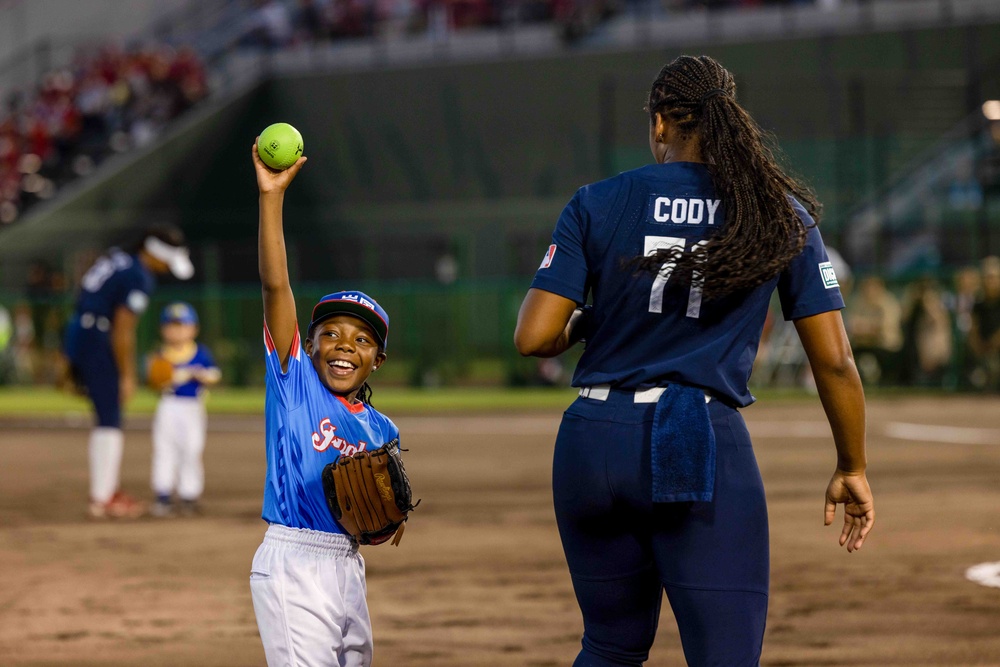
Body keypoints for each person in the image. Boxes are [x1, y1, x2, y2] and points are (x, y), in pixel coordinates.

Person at [514, 55, 874, 666]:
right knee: (725, 655)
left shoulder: (598, 201)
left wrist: (596, 321)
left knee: (609, 646)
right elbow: (834, 361)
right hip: (694, 437)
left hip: (591, 439)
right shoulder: (776, 211)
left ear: (660, 124)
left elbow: (535, 337)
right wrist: (852, 464)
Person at [250, 138, 399, 666]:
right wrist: (272, 197)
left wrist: (388, 523)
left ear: (377, 361)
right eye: (330, 333)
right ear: (308, 345)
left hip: (348, 568)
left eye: (362, 340)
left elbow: (381, 522)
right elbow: (276, 285)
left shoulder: (384, 430)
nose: (344, 346)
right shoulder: (295, 382)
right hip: (292, 560)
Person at [63, 224, 194, 519]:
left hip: (81, 330)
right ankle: (103, 496)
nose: (165, 270)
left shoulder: (117, 257)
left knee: (106, 415)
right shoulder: (138, 275)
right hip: (99, 337)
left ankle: (106, 489)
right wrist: (127, 375)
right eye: (166, 262)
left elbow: (84, 299)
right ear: (155, 253)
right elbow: (123, 331)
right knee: (110, 416)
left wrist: (70, 352)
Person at [148, 302, 222, 518]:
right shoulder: (160, 355)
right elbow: (154, 382)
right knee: (164, 449)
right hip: (168, 405)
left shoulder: (200, 353)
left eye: (182, 325)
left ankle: (189, 495)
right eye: (171, 325)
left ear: (193, 329)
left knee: (192, 449)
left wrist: (202, 375)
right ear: (163, 330)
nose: (177, 330)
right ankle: (163, 495)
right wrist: (175, 376)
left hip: (192, 407)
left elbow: (214, 374)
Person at [970, 256, 1000, 391]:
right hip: (984, 347)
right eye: (988, 277)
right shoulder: (978, 301)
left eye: (994, 277)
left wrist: (995, 342)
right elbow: (974, 327)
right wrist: (978, 344)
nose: (991, 281)